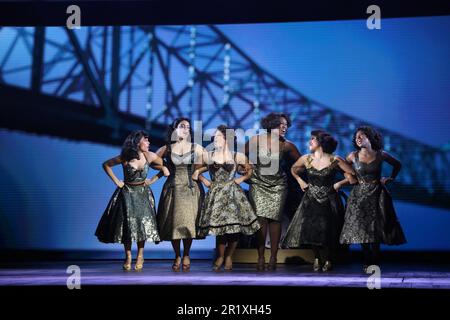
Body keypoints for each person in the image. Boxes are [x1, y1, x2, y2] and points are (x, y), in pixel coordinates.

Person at [95, 130, 168, 271]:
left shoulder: (150, 155)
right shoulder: (125, 157)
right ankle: (128, 256)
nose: (149, 142)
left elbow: (165, 166)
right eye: (145, 140)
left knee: (142, 225)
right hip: (127, 193)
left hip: (143, 194)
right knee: (127, 226)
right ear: (137, 142)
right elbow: (106, 164)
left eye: (148, 140)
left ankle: (140, 256)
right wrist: (116, 181)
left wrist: (154, 178)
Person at [282, 130, 354, 272]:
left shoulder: (335, 159)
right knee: (312, 230)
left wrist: (340, 183)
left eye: (313, 139)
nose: (310, 141)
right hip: (311, 199)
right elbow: (293, 169)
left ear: (321, 143)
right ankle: (316, 258)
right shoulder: (306, 158)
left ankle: (328, 259)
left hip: (329, 199)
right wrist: (300, 181)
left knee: (327, 230)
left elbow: (352, 176)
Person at [193, 125, 260, 271]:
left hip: (233, 194)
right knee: (220, 229)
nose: (215, 139)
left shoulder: (237, 156)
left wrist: (241, 179)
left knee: (234, 228)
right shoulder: (208, 155)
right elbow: (196, 169)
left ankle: (229, 256)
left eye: (218, 137)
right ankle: (220, 256)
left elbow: (250, 171)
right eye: (214, 137)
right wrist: (205, 181)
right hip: (216, 194)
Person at [340, 126, 406, 272]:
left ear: (369, 138)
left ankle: (375, 260)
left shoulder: (381, 154)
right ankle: (367, 259)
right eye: (356, 137)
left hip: (377, 194)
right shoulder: (352, 156)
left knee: (375, 228)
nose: (358, 139)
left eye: (361, 136)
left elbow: (398, 164)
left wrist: (390, 178)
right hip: (359, 195)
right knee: (363, 228)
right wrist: (349, 176)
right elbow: (342, 168)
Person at [245, 112, 301, 270]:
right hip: (258, 183)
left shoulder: (287, 145)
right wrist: (248, 167)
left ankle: (274, 257)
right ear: (271, 125)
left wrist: (295, 174)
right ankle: (261, 256)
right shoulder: (256, 140)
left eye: (286, 125)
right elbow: (241, 156)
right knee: (260, 220)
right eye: (280, 124)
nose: (284, 127)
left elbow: (302, 163)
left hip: (278, 185)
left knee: (275, 220)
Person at [155, 118, 205, 272]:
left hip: (191, 189)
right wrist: (163, 168)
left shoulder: (196, 147)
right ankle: (177, 254)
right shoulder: (167, 148)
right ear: (175, 129)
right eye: (182, 126)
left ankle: (187, 254)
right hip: (173, 188)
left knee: (188, 223)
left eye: (188, 127)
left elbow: (210, 163)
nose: (186, 129)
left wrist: (198, 170)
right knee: (174, 224)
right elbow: (151, 160)